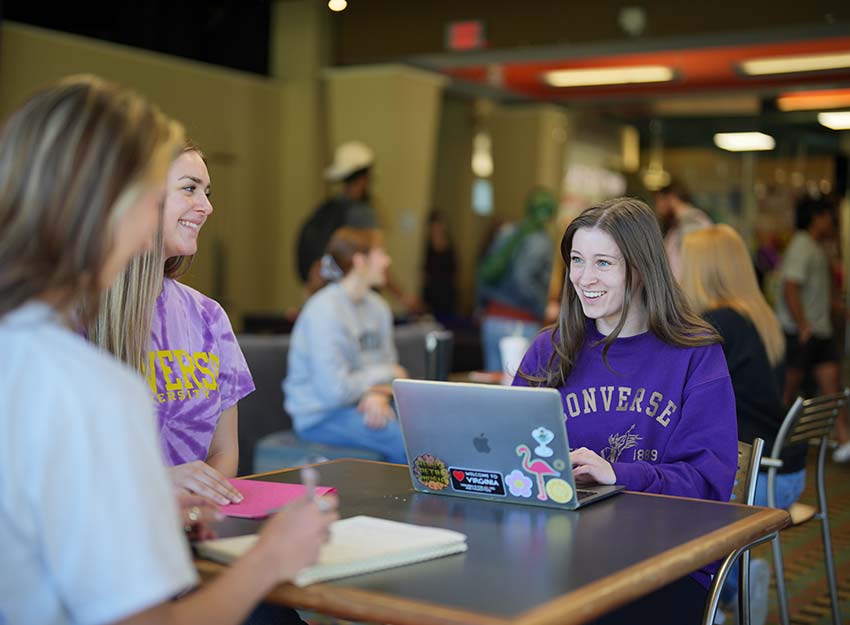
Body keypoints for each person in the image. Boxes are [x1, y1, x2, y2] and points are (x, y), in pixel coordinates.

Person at [0, 75, 336, 625]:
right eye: (165, 191)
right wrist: (273, 556)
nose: (201, 207)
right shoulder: (85, 387)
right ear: (108, 203)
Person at [513, 197, 737, 625]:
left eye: (603, 263)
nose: (584, 277)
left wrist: (617, 474)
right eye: (577, 260)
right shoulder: (549, 348)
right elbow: (511, 454)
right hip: (561, 551)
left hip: (663, 559)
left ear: (639, 269)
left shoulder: (694, 353)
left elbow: (708, 483)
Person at [88, 143, 252, 507]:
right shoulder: (73, 315)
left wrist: (191, 509)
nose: (207, 207)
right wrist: (158, 486)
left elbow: (224, 454)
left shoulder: (210, 317)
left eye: (207, 193)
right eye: (189, 188)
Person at [680, 224, 807, 625]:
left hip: (756, 479)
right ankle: (737, 577)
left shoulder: (715, 324)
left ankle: (722, 592)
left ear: (700, 268)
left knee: (675, 515)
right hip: (789, 470)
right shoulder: (760, 315)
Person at [285, 227, 408, 464]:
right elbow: (335, 391)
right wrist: (382, 376)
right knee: (407, 441)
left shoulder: (378, 307)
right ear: (360, 261)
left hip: (369, 403)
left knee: (430, 427)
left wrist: (377, 394)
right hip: (322, 417)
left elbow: (395, 373)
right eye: (381, 253)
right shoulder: (324, 311)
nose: (387, 261)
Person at [296, 141, 422, 311]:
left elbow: (323, 265)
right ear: (364, 178)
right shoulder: (361, 214)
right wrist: (404, 297)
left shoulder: (327, 210)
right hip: (353, 304)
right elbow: (376, 262)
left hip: (325, 295)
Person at [774, 195, 850, 462]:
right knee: (787, 392)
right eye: (829, 216)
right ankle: (773, 443)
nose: (832, 221)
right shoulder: (801, 246)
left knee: (832, 386)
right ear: (817, 218)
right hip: (803, 334)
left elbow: (819, 292)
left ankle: (844, 441)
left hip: (821, 331)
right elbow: (790, 288)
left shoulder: (818, 248)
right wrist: (803, 325)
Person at [477, 187, 557, 372]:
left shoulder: (506, 233)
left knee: (493, 385)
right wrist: (542, 308)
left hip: (492, 320)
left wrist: (481, 308)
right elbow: (523, 280)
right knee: (516, 386)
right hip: (520, 324)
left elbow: (483, 273)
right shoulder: (541, 241)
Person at [654, 180, 711, 279]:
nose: (658, 208)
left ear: (671, 198)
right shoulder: (680, 224)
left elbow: (693, 267)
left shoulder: (692, 223)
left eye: (659, 201)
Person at [421, 210, 457, 321]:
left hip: (446, 290)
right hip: (431, 290)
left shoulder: (450, 244)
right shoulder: (428, 245)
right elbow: (425, 269)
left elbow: (455, 269)